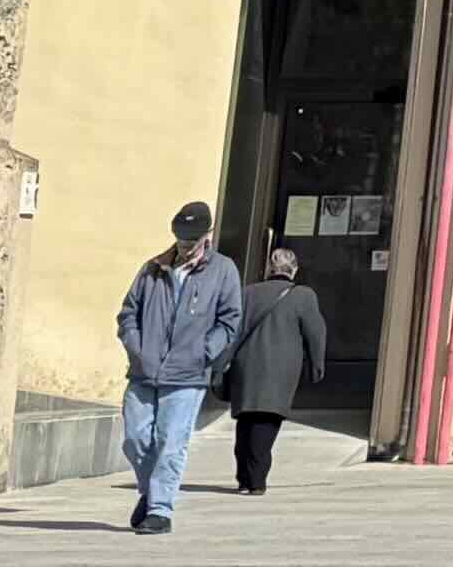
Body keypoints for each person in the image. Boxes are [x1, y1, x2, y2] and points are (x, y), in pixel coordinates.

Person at [114, 201, 244, 534]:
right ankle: (150, 492)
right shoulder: (152, 268)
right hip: (145, 370)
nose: (185, 244)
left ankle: (160, 510)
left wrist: (205, 352)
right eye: (181, 237)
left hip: (188, 374)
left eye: (192, 238)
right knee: (135, 438)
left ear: (207, 234)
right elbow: (128, 313)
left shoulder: (223, 270)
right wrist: (136, 347)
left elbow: (230, 320)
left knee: (170, 440)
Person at [224, 245, 331, 494]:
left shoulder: (247, 293)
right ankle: (256, 480)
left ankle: (243, 479)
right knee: (266, 421)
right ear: (294, 270)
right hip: (280, 370)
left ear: (269, 269)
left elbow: (232, 329)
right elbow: (316, 333)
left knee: (246, 420)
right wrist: (317, 364)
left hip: (246, 367)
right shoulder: (303, 295)